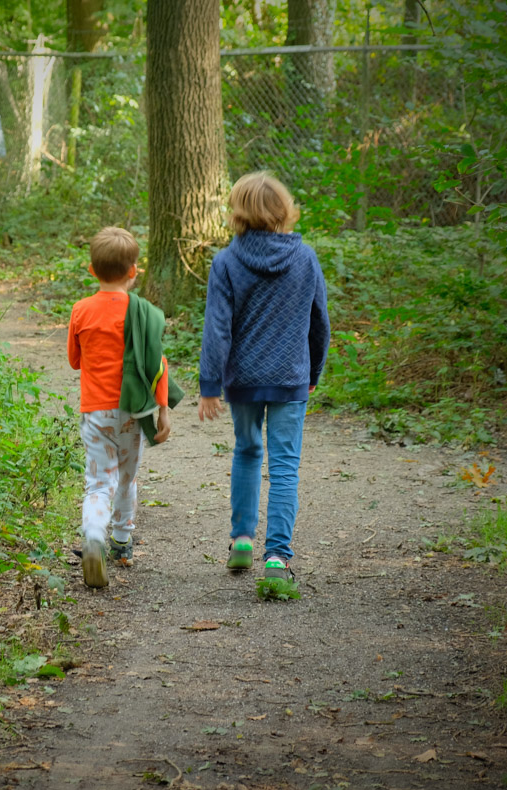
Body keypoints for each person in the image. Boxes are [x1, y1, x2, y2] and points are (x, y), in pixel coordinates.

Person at [197, 172, 331, 586]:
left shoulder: (227, 261)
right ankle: (277, 559)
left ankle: (241, 541)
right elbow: (319, 321)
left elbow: (217, 328)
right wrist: (314, 371)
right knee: (285, 464)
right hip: (291, 376)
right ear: (284, 210)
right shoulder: (305, 258)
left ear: (238, 212)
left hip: (244, 379)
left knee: (248, 451)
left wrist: (210, 385)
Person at [68, 227, 183, 588]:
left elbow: (74, 361)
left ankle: (94, 536)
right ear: (134, 271)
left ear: (92, 270)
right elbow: (156, 364)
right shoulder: (145, 313)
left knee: (99, 482)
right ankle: (121, 540)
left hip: (95, 413)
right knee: (127, 478)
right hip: (132, 414)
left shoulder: (81, 310)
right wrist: (163, 410)